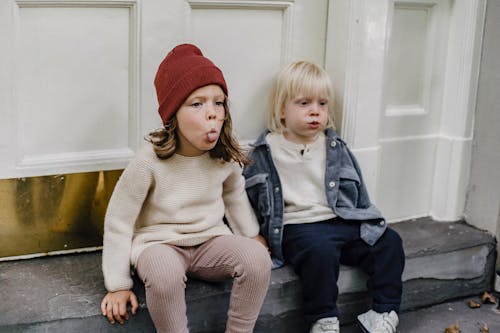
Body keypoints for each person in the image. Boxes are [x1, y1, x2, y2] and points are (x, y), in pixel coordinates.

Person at [100, 43, 272, 333]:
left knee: (257, 261)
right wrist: (117, 284)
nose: (212, 113)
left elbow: (233, 193)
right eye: (197, 103)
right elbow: (119, 219)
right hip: (158, 244)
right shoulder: (149, 160)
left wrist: (251, 235)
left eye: (219, 102)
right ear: (173, 114)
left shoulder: (222, 155)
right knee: (165, 275)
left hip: (210, 241)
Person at [243, 61, 405, 333]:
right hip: (298, 227)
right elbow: (245, 196)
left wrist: (368, 222)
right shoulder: (267, 150)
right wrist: (251, 236)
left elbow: (357, 190)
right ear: (282, 109)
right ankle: (324, 319)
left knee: (388, 241)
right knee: (320, 252)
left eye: (322, 104)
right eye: (304, 103)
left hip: (340, 219)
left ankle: (383, 311)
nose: (315, 112)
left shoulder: (333, 146)